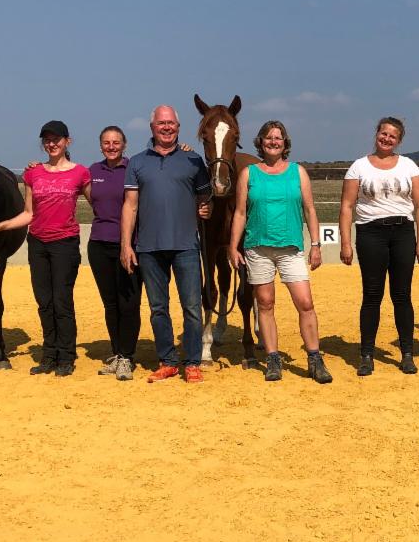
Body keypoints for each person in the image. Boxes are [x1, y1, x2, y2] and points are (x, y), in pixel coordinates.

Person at [0, 120, 91, 377]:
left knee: (62, 302)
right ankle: (49, 354)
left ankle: (66, 355)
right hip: (38, 244)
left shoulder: (80, 173)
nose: (51, 144)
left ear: (67, 141)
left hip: (65, 243)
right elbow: (28, 213)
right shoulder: (33, 174)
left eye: (56, 139)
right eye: (47, 140)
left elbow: (98, 204)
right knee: (44, 302)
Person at [228, 120, 333, 384]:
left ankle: (314, 357)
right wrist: (233, 246)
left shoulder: (298, 172)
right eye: (268, 137)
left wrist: (316, 245)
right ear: (261, 142)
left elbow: (310, 209)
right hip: (257, 248)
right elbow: (240, 213)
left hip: (291, 248)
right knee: (265, 304)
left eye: (278, 138)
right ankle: (273, 358)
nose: (273, 142)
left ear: (285, 143)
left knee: (305, 303)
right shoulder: (249, 174)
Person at [120, 105, 212, 384]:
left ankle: (192, 362)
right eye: (161, 123)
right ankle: (168, 361)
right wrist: (126, 244)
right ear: (152, 127)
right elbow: (130, 206)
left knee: (192, 308)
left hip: (186, 246)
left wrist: (207, 208)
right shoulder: (137, 162)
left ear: (178, 127)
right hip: (149, 248)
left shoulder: (193, 160)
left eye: (171, 123)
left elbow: (206, 199)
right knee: (158, 308)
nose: (167, 127)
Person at [339, 117, 419, 376]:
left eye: (393, 136)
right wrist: (346, 243)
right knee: (371, 295)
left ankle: (407, 354)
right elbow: (347, 206)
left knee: (402, 295)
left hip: (402, 233)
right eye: (384, 133)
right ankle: (366, 354)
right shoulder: (358, 167)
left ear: (398, 140)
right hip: (370, 233)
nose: (387, 139)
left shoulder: (409, 165)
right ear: (376, 134)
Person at [86, 126, 143, 381]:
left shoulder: (134, 168)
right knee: (110, 304)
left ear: (124, 144)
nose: (111, 147)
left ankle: (127, 357)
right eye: (107, 143)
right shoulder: (93, 171)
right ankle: (117, 353)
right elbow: (91, 199)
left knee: (128, 303)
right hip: (99, 244)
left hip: (129, 245)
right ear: (101, 146)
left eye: (116, 142)